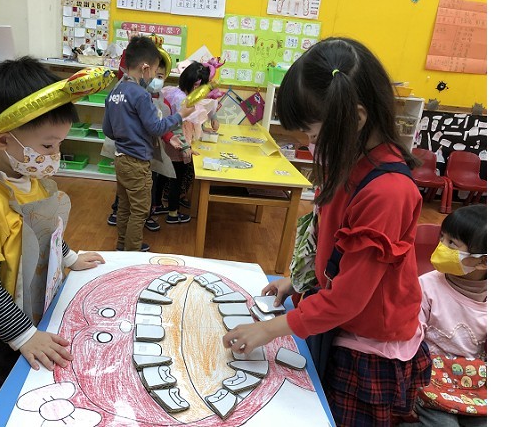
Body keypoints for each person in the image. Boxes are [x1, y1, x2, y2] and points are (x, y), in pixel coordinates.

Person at [222, 37, 432, 426]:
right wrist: (299, 280)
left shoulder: (388, 192)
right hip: (341, 323)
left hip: (371, 347)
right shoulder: (347, 160)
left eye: (314, 135)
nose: (310, 145)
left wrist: (268, 330)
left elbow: (348, 299)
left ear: (355, 118)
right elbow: (330, 244)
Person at [0, 56, 106, 406]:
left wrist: (69, 257)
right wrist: (23, 335)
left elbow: (43, 228)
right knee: (11, 395)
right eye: (48, 146)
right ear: (3, 141)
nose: (56, 154)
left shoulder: (28, 176)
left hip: (28, 304)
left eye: (59, 144)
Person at [399, 205, 487, 427]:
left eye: (452, 244)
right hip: (428, 379)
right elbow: (409, 340)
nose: (441, 246)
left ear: (484, 262)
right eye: (442, 238)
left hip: (473, 383)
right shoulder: (426, 286)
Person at [103, 36, 193, 251]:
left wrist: (127, 134)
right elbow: (156, 127)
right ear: (145, 68)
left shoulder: (115, 92)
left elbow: (108, 130)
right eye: (153, 71)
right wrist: (180, 115)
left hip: (120, 158)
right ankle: (132, 251)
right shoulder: (141, 95)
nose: (153, 77)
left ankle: (122, 245)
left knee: (124, 206)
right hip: (137, 162)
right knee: (140, 210)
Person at [160, 61, 220, 224]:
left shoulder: (180, 94)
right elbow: (177, 125)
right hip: (178, 143)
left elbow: (196, 117)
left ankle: (158, 205)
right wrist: (185, 147)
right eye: (196, 85)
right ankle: (173, 213)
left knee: (167, 176)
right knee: (176, 179)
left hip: (176, 141)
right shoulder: (181, 98)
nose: (197, 89)